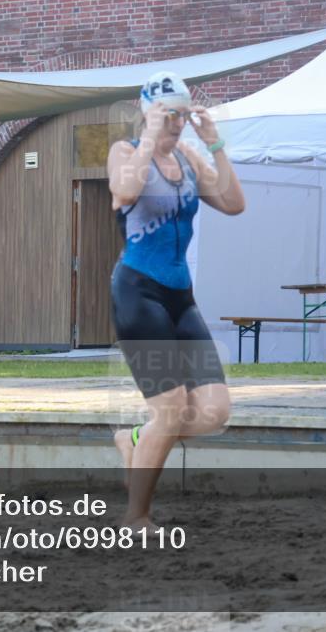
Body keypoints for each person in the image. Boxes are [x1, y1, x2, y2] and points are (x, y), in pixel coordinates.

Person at [108, 71, 245, 530]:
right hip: (137, 293)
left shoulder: (188, 156)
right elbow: (125, 191)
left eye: (182, 116)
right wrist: (149, 135)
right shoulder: (124, 152)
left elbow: (232, 204)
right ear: (147, 111)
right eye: (170, 115)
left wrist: (215, 144)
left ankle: (134, 440)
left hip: (180, 297)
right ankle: (136, 516)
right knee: (169, 410)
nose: (177, 125)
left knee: (214, 412)